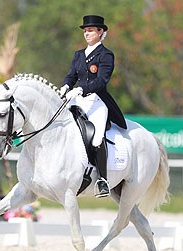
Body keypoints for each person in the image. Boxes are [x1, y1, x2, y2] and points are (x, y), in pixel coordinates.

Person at [60, 15, 127, 198]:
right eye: (85, 31)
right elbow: (71, 75)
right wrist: (66, 85)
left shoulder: (106, 55)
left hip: (96, 102)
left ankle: (102, 180)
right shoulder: (79, 55)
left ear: (100, 32)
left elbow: (102, 81)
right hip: (76, 100)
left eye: (90, 30)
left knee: (97, 138)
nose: (87, 34)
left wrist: (81, 89)